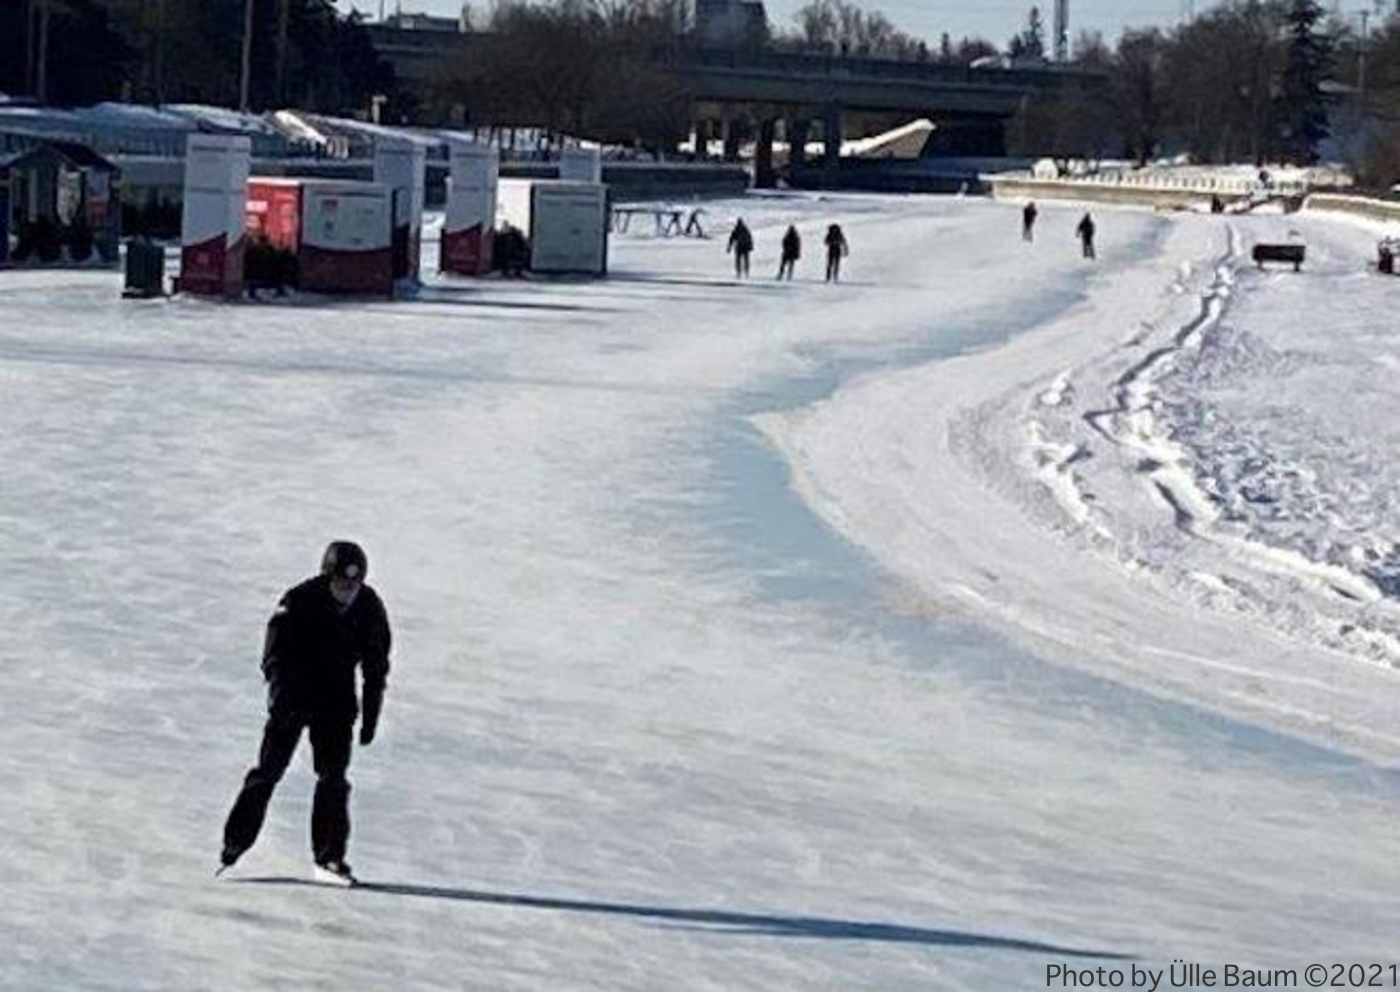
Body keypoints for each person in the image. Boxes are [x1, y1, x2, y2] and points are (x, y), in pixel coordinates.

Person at [219, 541, 392, 884]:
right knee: (268, 772)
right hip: (294, 697)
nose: (347, 592)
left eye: (353, 586)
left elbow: (376, 667)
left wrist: (371, 716)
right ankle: (234, 844)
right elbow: (274, 654)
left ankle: (329, 858)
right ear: (327, 578)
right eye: (341, 585)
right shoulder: (299, 600)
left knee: (334, 778)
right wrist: (279, 693)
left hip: (337, 702)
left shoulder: (370, 608)